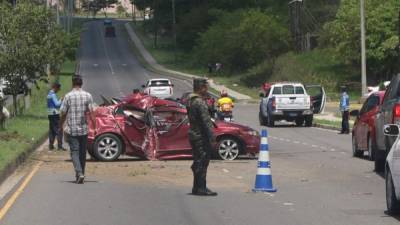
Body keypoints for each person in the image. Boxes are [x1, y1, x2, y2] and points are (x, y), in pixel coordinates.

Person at [60, 75, 96, 184]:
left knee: (74, 152)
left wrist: (60, 125)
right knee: (82, 153)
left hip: (72, 130)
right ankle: (81, 174)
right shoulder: (87, 95)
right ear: (82, 83)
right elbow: (92, 112)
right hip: (84, 130)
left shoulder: (68, 96)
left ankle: (79, 173)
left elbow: (63, 112)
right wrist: (95, 126)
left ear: (72, 83)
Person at [187, 78, 217, 196]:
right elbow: (206, 121)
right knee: (202, 161)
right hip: (200, 136)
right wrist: (212, 137)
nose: (207, 89)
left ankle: (197, 187)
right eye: (206, 87)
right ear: (201, 88)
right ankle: (201, 187)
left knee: (199, 160)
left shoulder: (190, 100)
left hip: (194, 134)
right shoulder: (199, 102)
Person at [47, 83, 64, 151]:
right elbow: (57, 104)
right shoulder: (53, 95)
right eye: (58, 89)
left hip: (50, 113)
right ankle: (60, 146)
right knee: (59, 129)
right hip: (54, 113)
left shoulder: (49, 95)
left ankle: (51, 145)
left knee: (51, 130)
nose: (58, 90)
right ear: (56, 88)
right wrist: (61, 99)